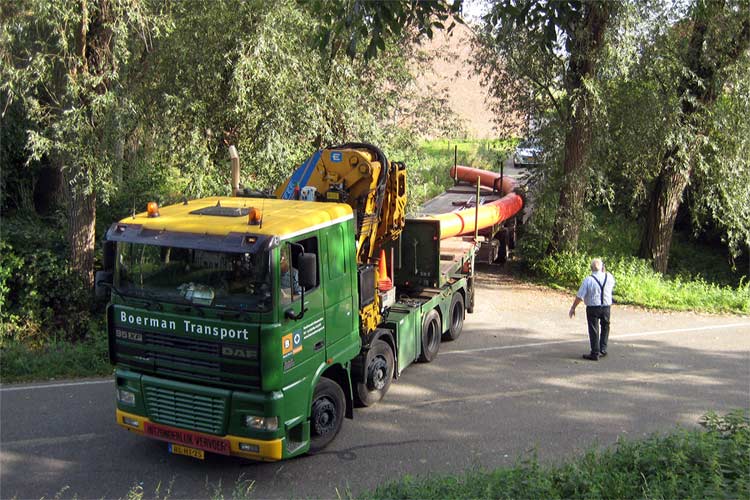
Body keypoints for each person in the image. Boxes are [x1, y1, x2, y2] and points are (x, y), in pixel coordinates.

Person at [569, 258, 615, 361]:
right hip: (606, 306)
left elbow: (580, 296)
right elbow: (610, 287)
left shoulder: (588, 280)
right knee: (605, 327)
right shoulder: (609, 277)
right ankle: (603, 349)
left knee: (594, 329)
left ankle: (595, 352)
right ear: (602, 267)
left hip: (593, 307)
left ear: (591, 268)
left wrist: (573, 307)